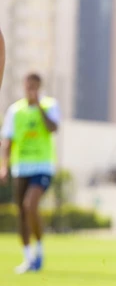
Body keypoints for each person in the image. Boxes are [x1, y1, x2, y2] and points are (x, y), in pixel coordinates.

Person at [0, 73, 60, 273]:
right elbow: (7, 140)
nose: (31, 90)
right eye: (28, 86)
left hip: (42, 166)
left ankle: (39, 251)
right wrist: (4, 166)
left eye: (34, 86)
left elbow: (52, 128)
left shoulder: (50, 105)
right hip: (21, 167)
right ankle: (28, 258)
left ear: (39, 87)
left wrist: (39, 107)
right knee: (22, 213)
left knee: (30, 205)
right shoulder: (15, 110)